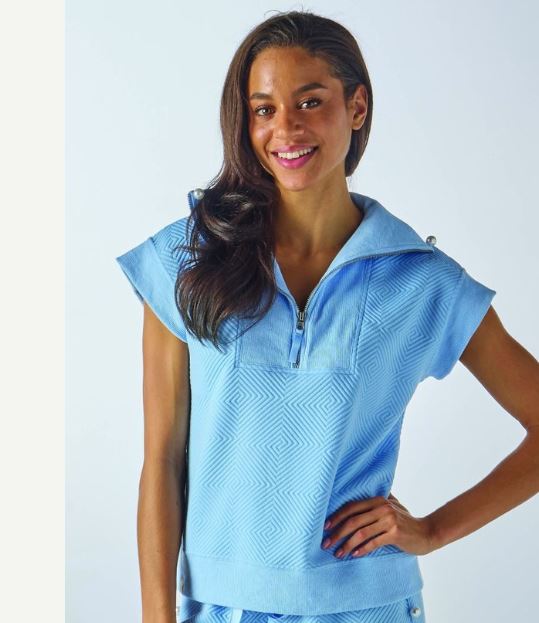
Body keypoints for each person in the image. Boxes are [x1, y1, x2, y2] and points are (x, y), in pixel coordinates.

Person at [115, 10, 539, 623]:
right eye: (263, 109)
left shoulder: (422, 283)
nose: (285, 128)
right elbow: (162, 462)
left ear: (356, 107)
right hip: (221, 606)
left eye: (309, 102)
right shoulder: (188, 260)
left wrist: (433, 531)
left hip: (365, 606)